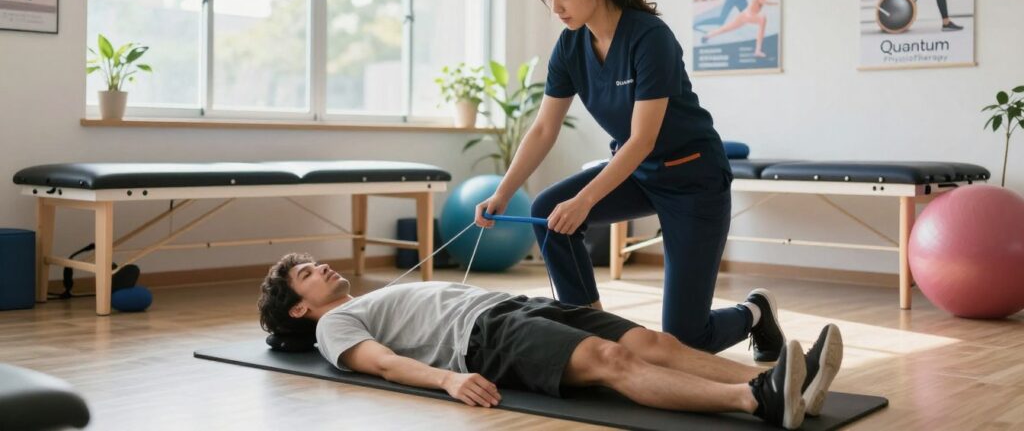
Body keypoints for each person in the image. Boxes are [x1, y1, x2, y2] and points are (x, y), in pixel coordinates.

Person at [474, 0, 782, 363]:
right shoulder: (570, 45)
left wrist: (583, 201)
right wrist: (503, 192)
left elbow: (643, 139)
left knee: (684, 341)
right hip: (639, 174)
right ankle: (591, 332)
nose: (555, 8)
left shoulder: (649, 37)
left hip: (693, 178)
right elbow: (544, 128)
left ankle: (754, 312)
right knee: (548, 213)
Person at [257, 253, 845, 429]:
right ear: (301, 308)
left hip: (516, 305)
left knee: (651, 341)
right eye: (307, 273)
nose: (323, 267)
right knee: (611, 361)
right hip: (484, 339)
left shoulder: (363, 297)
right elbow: (381, 364)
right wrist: (447, 379)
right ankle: (755, 402)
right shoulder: (334, 326)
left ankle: (782, 382)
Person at [702, 0, 779, 58]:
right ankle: (757, 51)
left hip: (744, 16)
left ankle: (707, 35)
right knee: (762, 19)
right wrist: (777, 3)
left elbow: (764, 2)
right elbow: (765, 2)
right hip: (746, 16)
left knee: (728, 28)